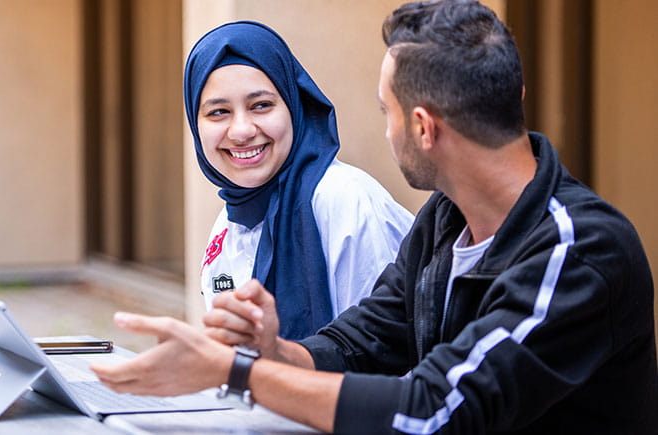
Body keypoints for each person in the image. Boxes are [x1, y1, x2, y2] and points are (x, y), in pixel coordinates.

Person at [92, 1, 658, 434]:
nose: (384, 131)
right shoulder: (446, 219)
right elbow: (368, 338)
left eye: (385, 112)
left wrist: (232, 372)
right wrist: (275, 349)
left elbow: (434, 412)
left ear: (422, 128)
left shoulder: (577, 249)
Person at [184, 21, 414, 339]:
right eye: (218, 112)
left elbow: (385, 351)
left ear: (294, 106)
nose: (241, 131)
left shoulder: (343, 200)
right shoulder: (229, 222)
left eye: (261, 106)